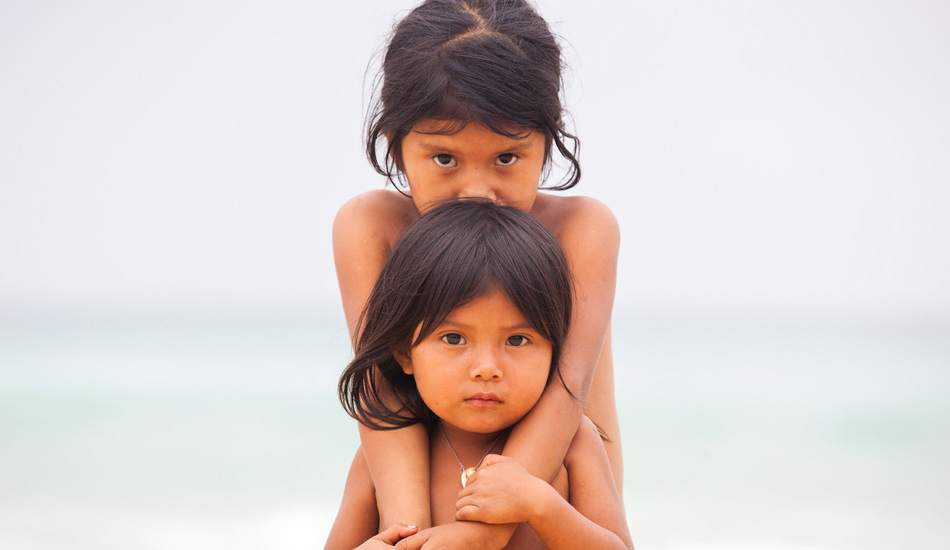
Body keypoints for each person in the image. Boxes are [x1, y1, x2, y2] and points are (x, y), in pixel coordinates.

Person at [332, 0, 621, 547]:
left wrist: (477, 536)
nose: (477, 190)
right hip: (435, 472)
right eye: (445, 159)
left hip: (565, 472)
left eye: (506, 159)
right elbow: (382, 391)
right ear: (395, 144)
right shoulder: (372, 226)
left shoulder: (581, 229)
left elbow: (567, 388)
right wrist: (411, 536)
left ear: (547, 139)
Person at [326, 201, 632, 550]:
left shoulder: (574, 444)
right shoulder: (383, 461)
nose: (487, 368)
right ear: (404, 352)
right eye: (454, 338)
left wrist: (542, 505)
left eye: (517, 340)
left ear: (555, 351)